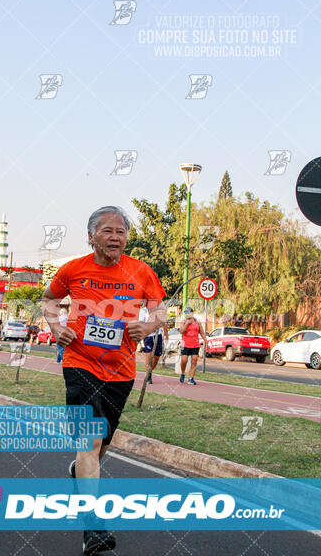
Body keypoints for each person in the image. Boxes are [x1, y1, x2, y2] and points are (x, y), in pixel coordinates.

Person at [42, 206, 166, 555]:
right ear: (91, 235)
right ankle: (92, 527)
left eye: (121, 231)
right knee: (91, 440)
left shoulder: (141, 271)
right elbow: (50, 300)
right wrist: (56, 327)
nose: (115, 237)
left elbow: (160, 308)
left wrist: (150, 325)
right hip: (80, 362)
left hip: (122, 369)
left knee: (103, 442)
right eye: (107, 230)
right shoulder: (73, 269)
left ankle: (80, 472)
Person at [139, 303, 168, 384]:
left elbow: (164, 323)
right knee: (149, 355)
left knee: (157, 357)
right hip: (148, 336)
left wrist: (167, 336)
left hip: (158, 335)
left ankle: (149, 371)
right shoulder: (143, 311)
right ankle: (148, 376)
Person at [178, 307, 207, 385]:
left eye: (188, 312)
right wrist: (187, 324)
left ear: (192, 313)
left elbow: (202, 332)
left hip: (195, 344)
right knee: (184, 360)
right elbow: (181, 331)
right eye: (186, 313)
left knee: (194, 361)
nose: (187, 314)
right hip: (185, 343)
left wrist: (206, 341)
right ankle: (183, 373)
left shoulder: (198, 322)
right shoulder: (183, 322)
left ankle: (191, 378)